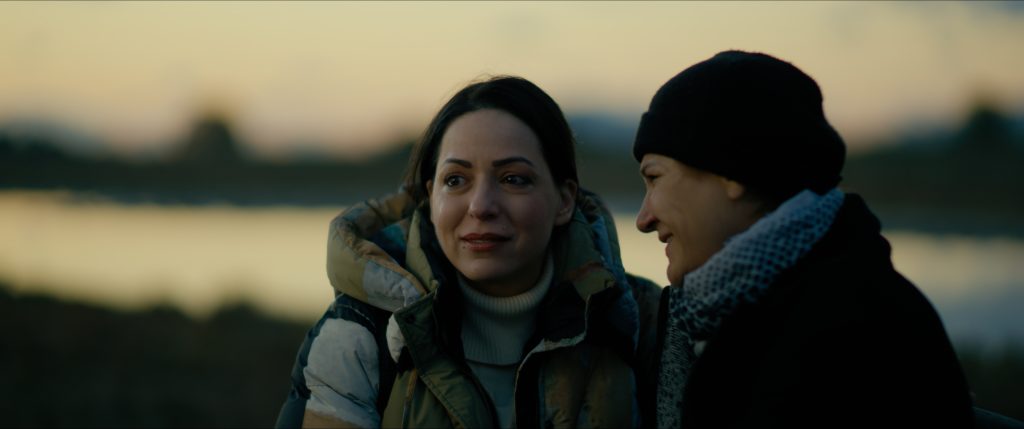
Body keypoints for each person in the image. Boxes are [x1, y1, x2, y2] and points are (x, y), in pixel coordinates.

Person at [276, 76, 661, 428]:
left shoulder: (639, 321)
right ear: (431, 198)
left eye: (513, 179)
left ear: (564, 200)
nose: (480, 206)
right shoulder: (359, 335)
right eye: (456, 180)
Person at [632, 50, 975, 427]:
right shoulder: (724, 313)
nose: (643, 219)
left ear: (732, 171)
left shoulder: (855, 339)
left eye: (655, 178)